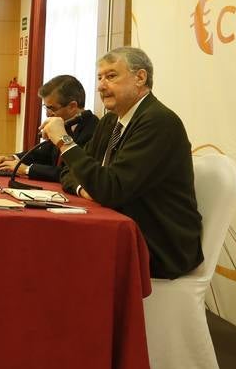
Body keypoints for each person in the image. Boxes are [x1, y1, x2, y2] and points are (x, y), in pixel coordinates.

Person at [55, 47, 203, 280]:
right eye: (99, 78)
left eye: (111, 76)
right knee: (54, 244)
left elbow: (110, 189)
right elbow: (68, 170)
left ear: (140, 78)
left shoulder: (158, 122)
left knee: (62, 255)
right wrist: (87, 189)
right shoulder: (110, 121)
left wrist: (64, 141)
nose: (101, 86)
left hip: (159, 245)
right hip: (120, 227)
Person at [0, 75, 98, 182]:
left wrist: (27, 170)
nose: (47, 114)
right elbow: (42, 154)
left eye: (52, 108)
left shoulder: (93, 129)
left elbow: (70, 172)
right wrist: (14, 158)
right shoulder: (63, 124)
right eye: (45, 107)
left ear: (72, 106)